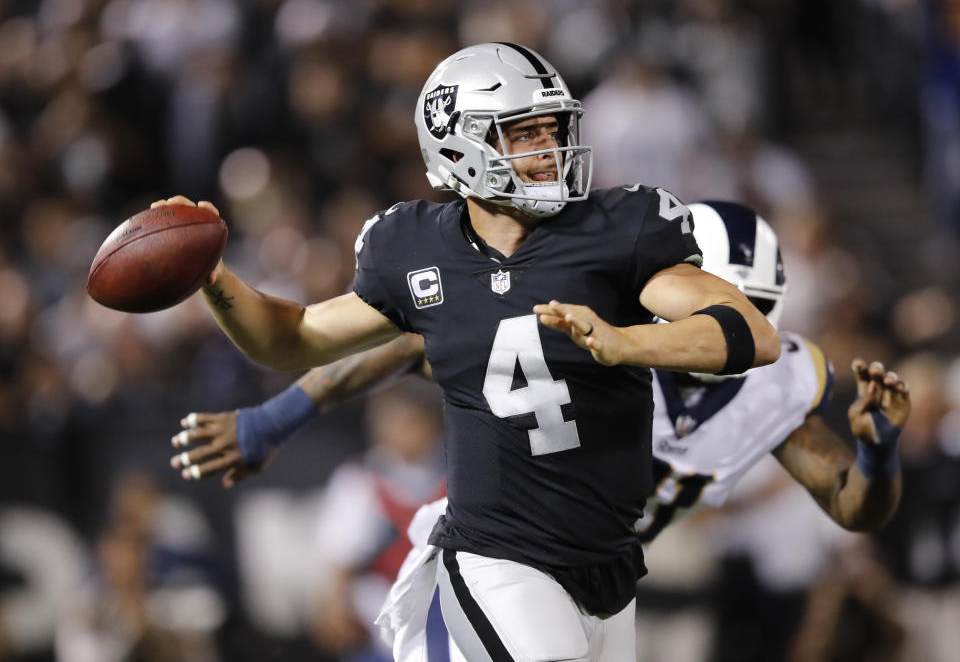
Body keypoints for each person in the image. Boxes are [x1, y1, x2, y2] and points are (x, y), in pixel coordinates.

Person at [156, 42, 780, 660]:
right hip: (499, 559)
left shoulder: (615, 231)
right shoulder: (416, 250)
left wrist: (627, 342)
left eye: (553, 129)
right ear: (458, 149)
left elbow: (750, 330)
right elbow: (292, 338)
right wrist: (215, 279)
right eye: (524, 133)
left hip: (609, 568)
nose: (550, 150)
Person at [170, 200, 907, 660]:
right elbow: (404, 344)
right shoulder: (576, 322)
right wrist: (273, 419)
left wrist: (875, 453)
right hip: (497, 563)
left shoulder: (774, 382)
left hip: (596, 587)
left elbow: (851, 504)